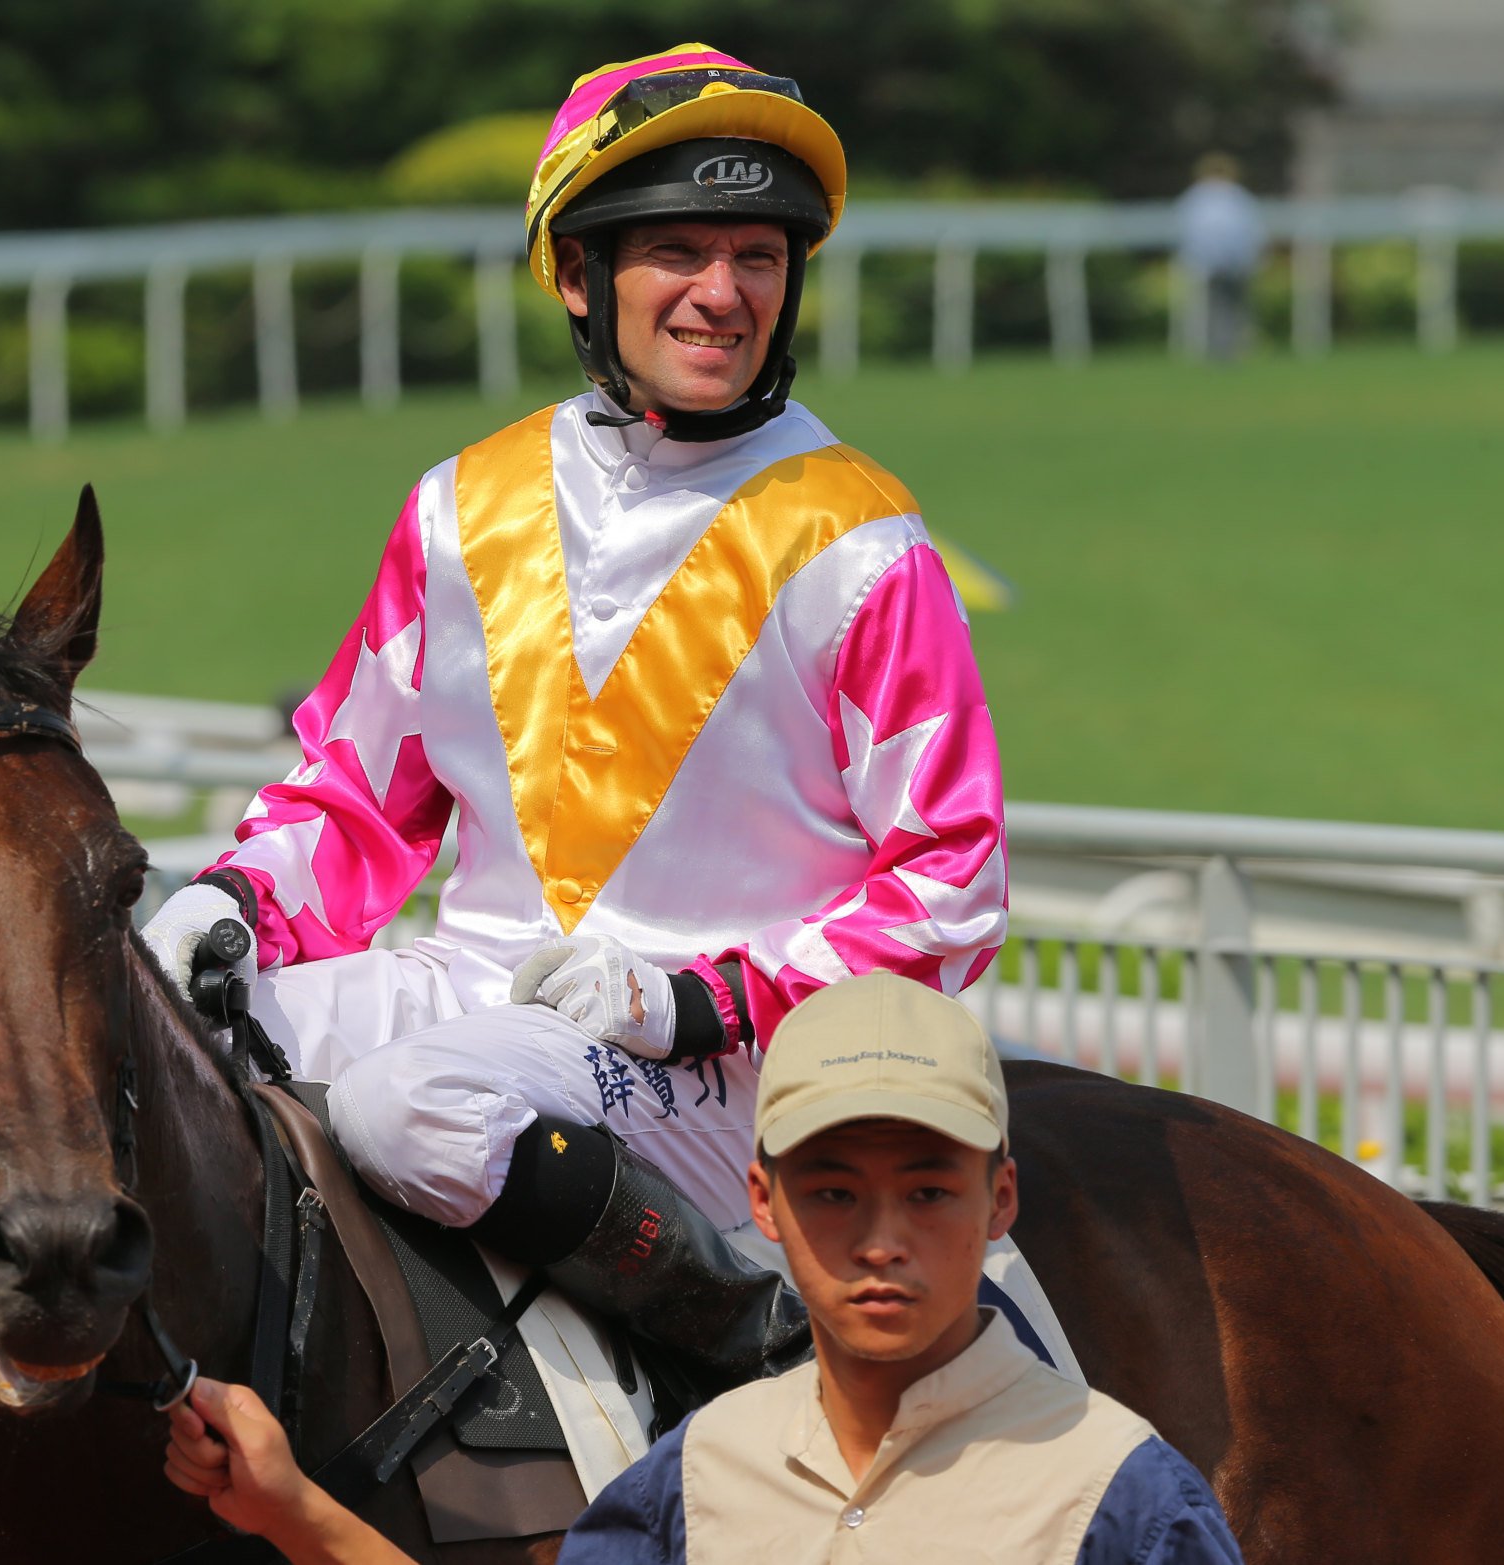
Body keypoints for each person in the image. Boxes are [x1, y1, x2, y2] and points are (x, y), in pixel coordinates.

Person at [140, 43, 1007, 1391]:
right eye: (676, 250)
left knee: (408, 1104)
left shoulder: (862, 542)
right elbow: (354, 800)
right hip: (480, 994)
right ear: (576, 274)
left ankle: (744, 1328)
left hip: (729, 1072)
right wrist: (236, 901)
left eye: (759, 257)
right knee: (148, 1040)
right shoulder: (459, 506)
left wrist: (701, 999)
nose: (724, 294)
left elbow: (951, 887)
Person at [162, 974, 1243, 1564]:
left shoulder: (1127, 1501)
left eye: (926, 1189)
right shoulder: (693, 1478)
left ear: (997, 1198)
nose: (879, 1239)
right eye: (830, 1191)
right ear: (762, 1203)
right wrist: (292, 1509)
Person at [1176, 153, 1264, 362]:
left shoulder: (1196, 197)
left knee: (1218, 307)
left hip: (1215, 262)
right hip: (1232, 261)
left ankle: (1221, 349)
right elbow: (1254, 230)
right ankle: (1227, 349)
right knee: (1229, 307)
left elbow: (1185, 231)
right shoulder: (1237, 197)